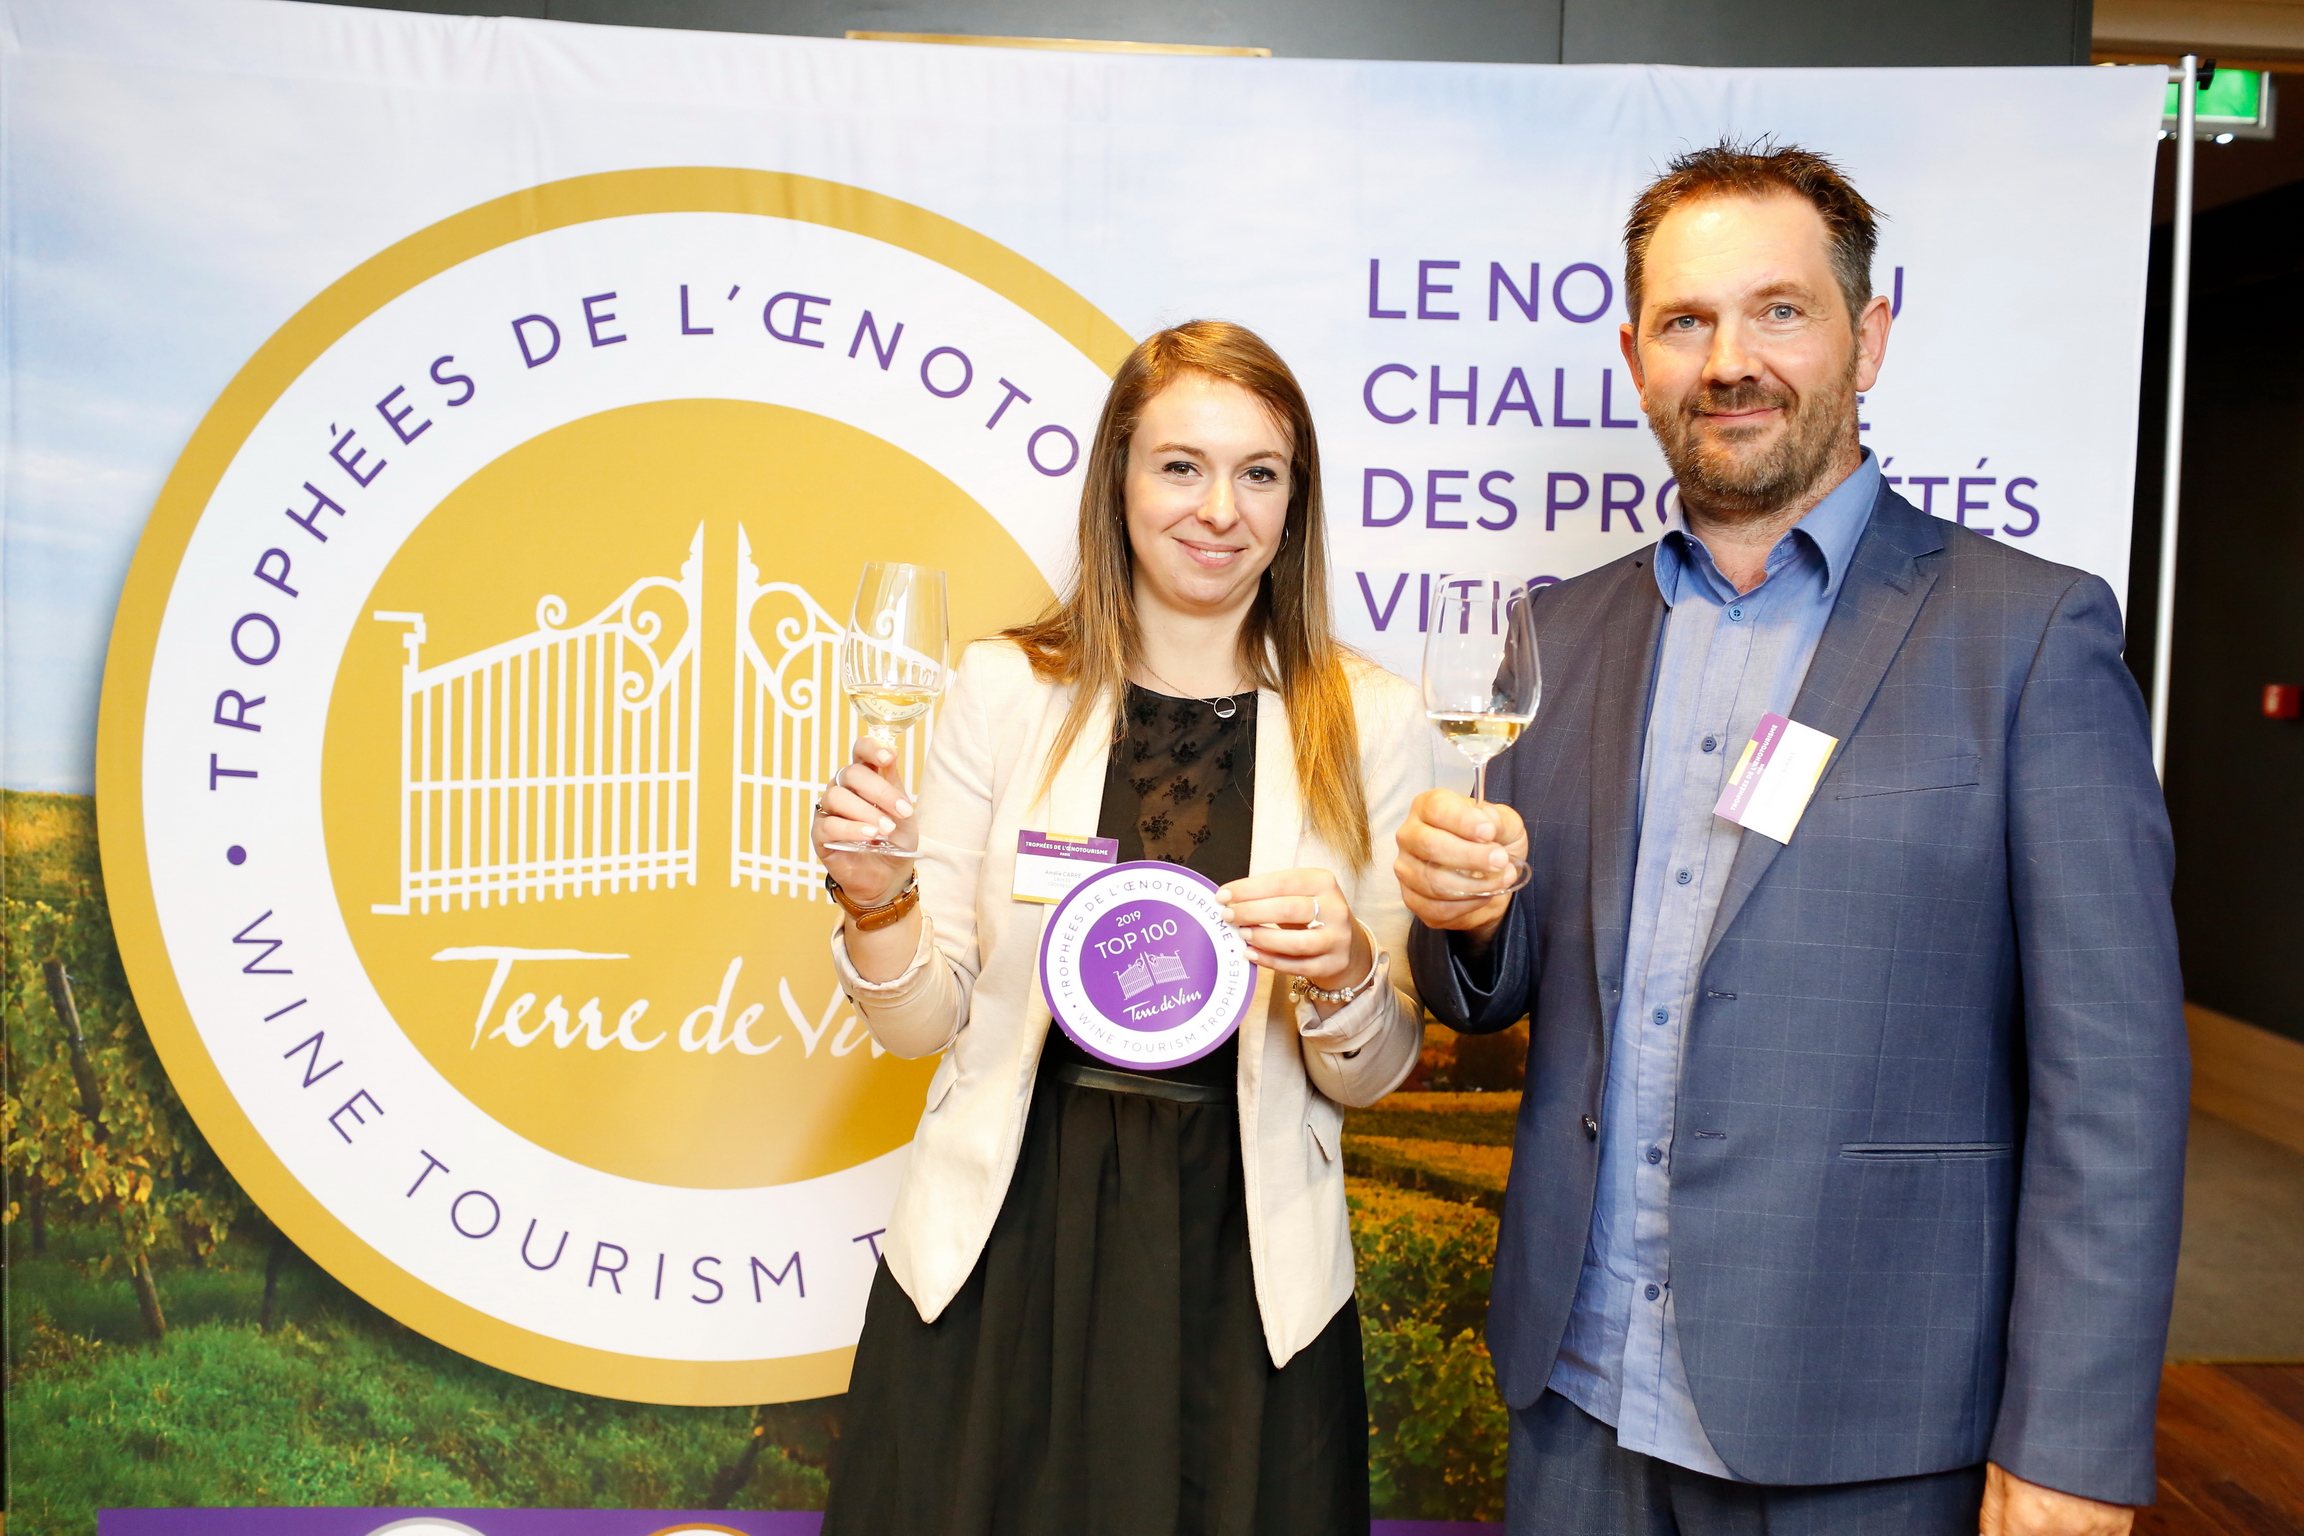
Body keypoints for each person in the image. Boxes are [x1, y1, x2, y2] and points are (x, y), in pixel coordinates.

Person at [1395, 141, 2187, 1536]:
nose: (1730, 362)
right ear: (1635, 357)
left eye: (1779, 311)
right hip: (1579, 1403)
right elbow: (1497, 985)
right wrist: (1463, 922)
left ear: (1866, 339)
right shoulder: (1562, 634)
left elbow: (2113, 1084)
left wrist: (2068, 1445)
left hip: (1869, 1427)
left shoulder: (2027, 637)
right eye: (1686, 322)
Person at [814, 319, 1430, 1536]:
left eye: (1260, 473)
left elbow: (1370, 1072)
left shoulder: (1371, 719)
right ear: (1119, 481)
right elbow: (923, 1023)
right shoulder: (1006, 690)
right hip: (1009, 1230)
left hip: (1244, 1254)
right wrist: (878, 897)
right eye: (1181, 466)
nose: (1220, 510)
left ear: (1297, 502)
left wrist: (1349, 973)